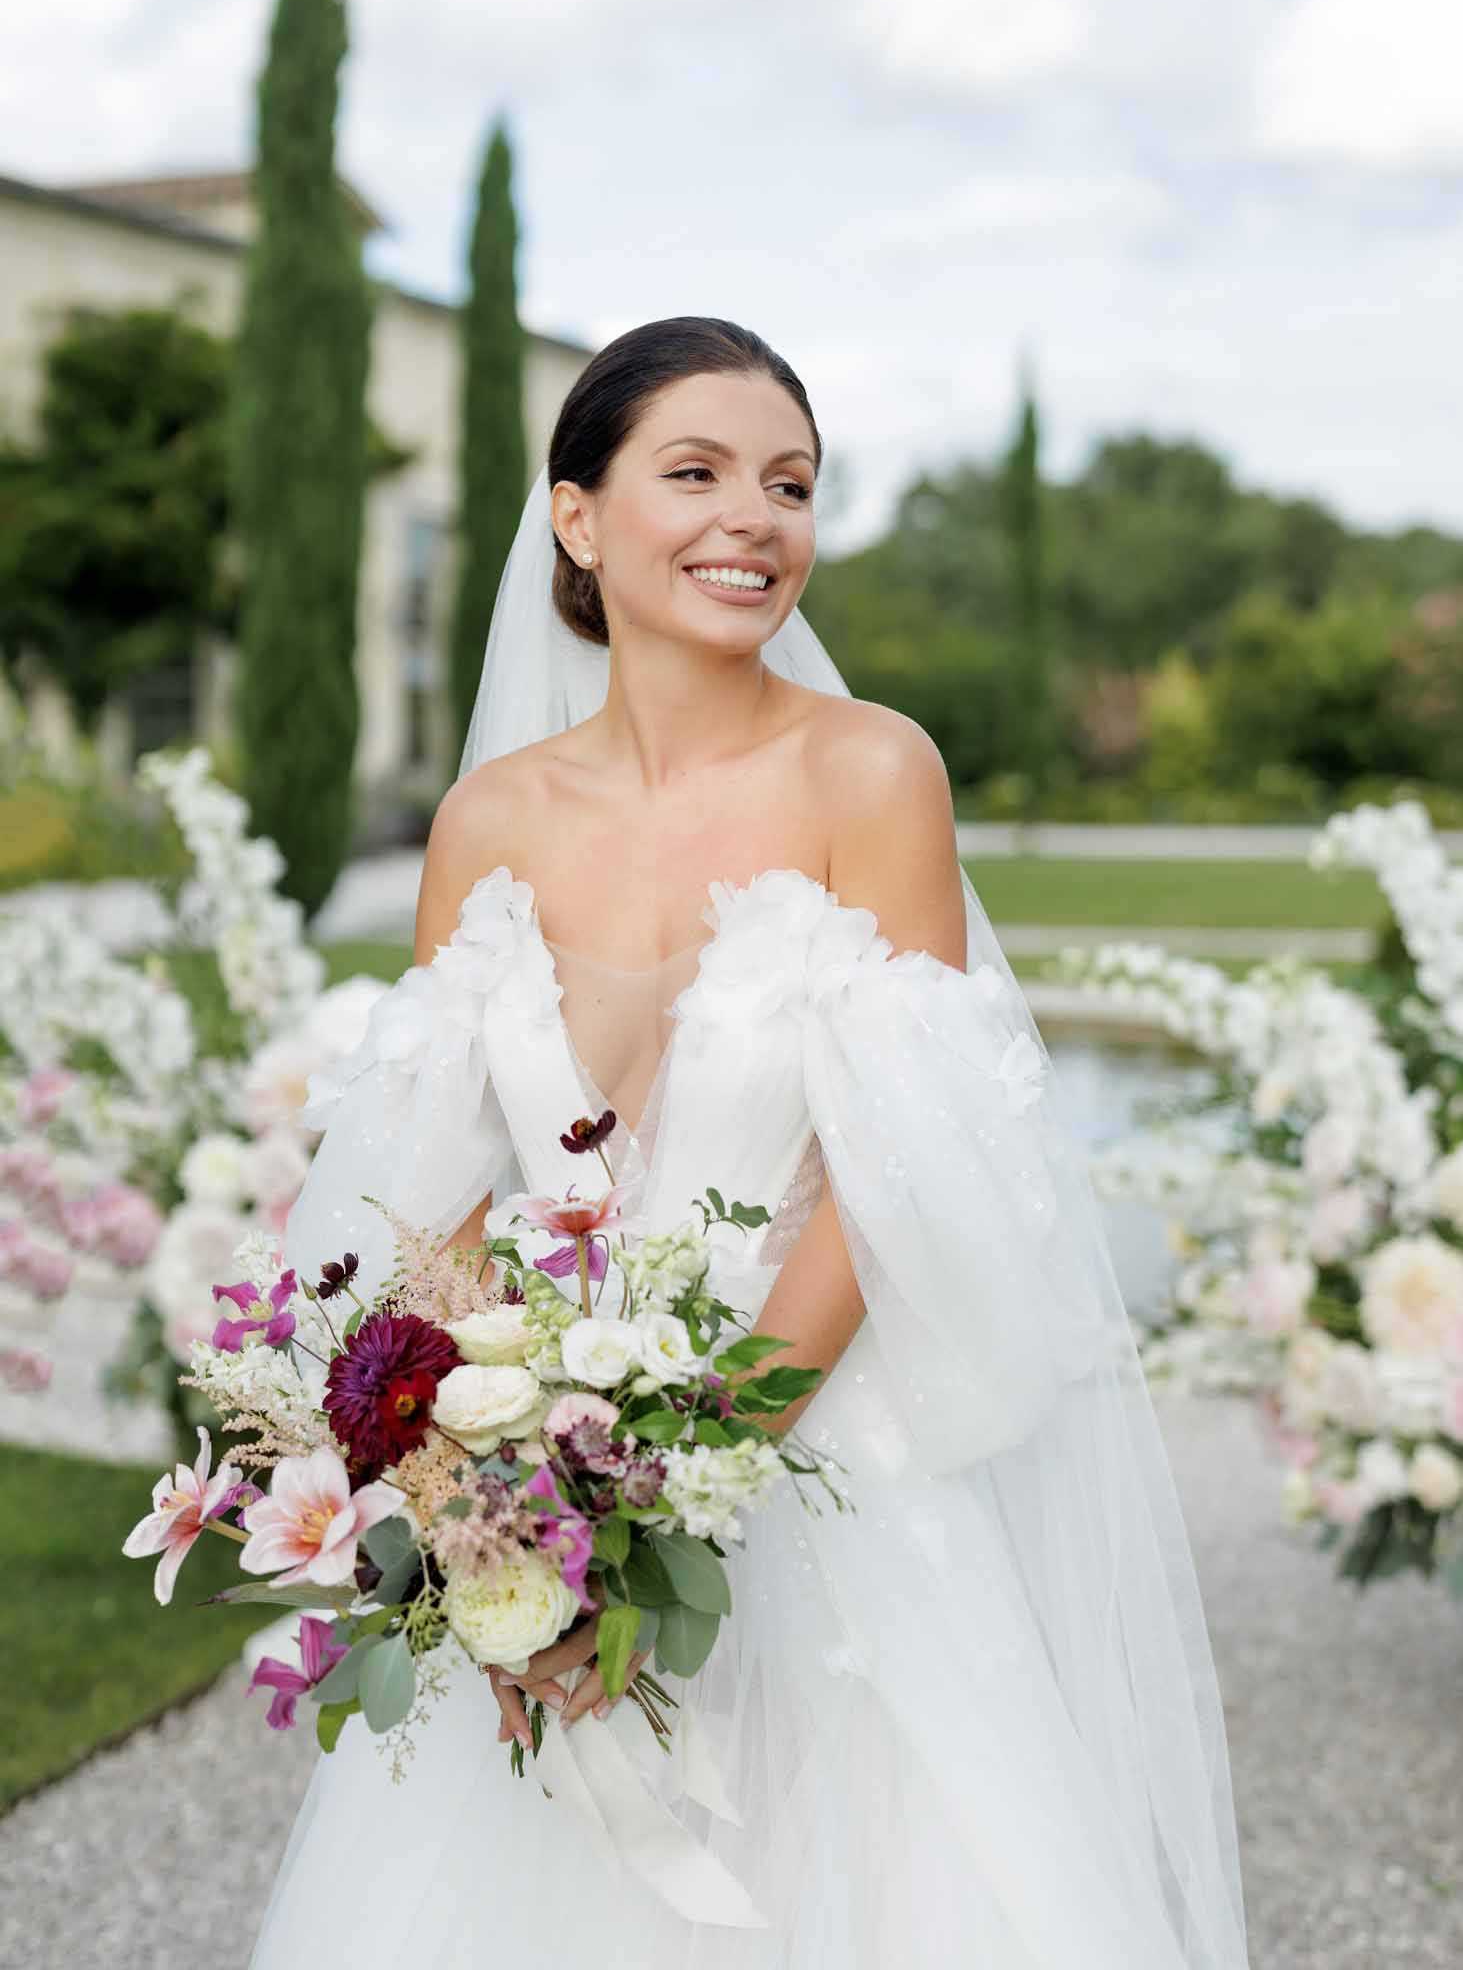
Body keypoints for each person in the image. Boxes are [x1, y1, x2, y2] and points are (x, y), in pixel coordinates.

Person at [247, 317, 1251, 1968]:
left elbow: (906, 1172)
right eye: (695, 472)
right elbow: (434, 1198)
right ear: (577, 515)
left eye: (788, 483)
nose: (755, 519)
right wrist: (503, 1516)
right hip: (551, 1468)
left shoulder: (872, 771)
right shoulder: (486, 821)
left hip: (824, 1471)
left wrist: (679, 1477)